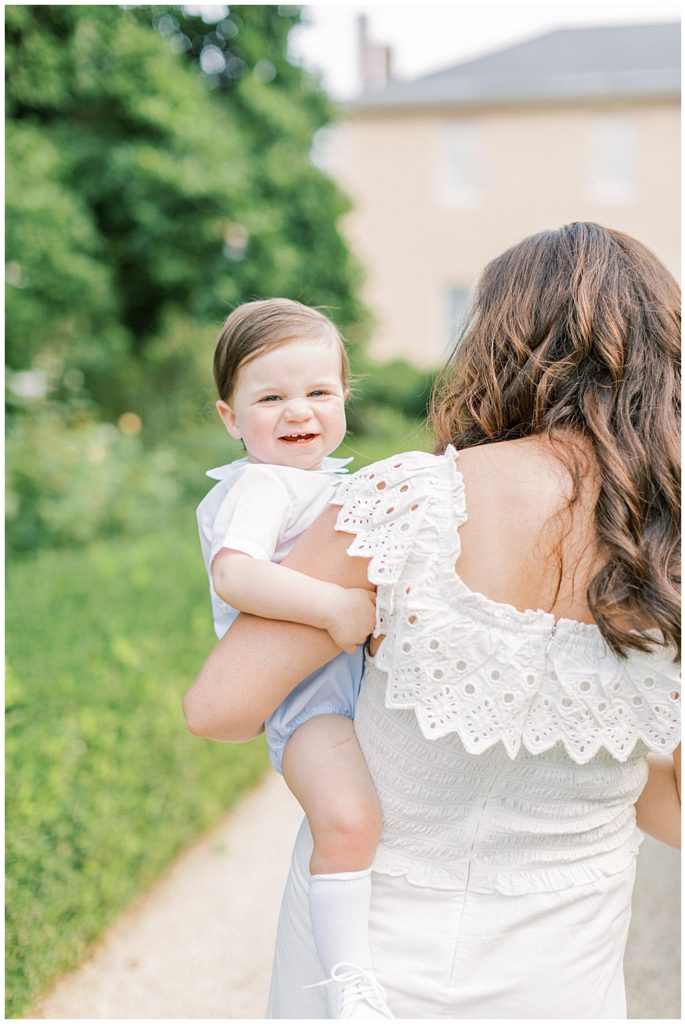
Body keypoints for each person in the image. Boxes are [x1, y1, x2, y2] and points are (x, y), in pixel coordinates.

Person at [184, 223, 681, 1019]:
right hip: (562, 969)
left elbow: (218, 708)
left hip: (366, 958)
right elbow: (674, 809)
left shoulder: (408, 501)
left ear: (499, 341)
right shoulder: (669, 538)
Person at [194, 298, 392, 1019]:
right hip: (306, 705)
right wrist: (334, 609)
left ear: (344, 398)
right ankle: (348, 982)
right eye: (270, 397)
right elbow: (235, 574)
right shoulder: (261, 484)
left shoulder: (331, 482)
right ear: (229, 417)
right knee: (348, 820)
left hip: (350, 694)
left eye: (318, 393)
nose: (297, 411)